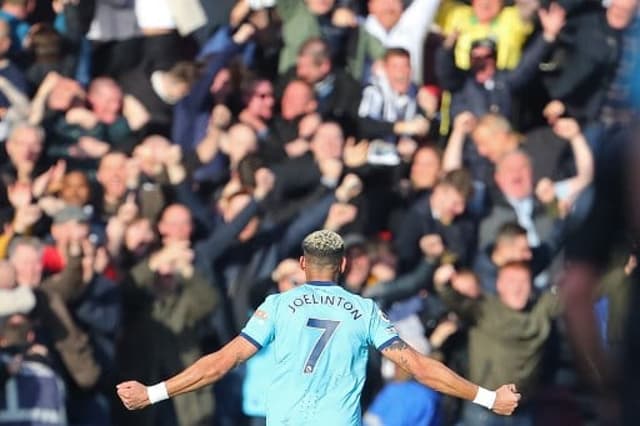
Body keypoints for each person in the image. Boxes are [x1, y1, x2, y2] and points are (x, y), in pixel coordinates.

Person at [117, 229, 521, 423]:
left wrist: (152, 392)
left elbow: (221, 362)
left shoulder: (276, 306)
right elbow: (420, 367)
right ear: (343, 266)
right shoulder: (364, 310)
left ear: (304, 263)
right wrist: (488, 398)